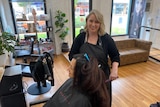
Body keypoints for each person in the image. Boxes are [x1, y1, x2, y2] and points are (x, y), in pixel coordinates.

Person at [68, 9, 120, 106]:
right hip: (84, 77)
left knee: (102, 102)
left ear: (100, 24)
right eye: (91, 21)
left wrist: (114, 70)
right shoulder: (80, 37)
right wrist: (80, 63)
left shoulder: (106, 39)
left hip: (102, 77)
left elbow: (115, 56)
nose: (93, 24)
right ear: (87, 21)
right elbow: (72, 55)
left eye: (96, 22)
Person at [44, 53, 110, 107]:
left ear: (79, 73)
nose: (68, 69)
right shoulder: (70, 81)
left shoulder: (84, 101)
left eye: (72, 68)